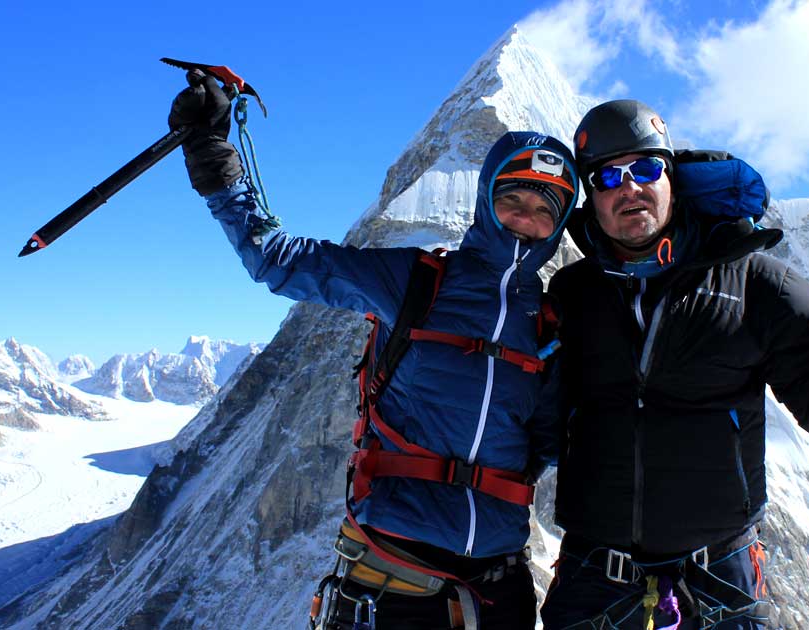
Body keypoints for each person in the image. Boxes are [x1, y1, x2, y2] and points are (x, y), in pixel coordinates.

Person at [168, 70, 578, 630]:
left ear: (560, 224)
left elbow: (552, 441)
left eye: (545, 208)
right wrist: (213, 155)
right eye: (514, 199)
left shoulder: (550, 321)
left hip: (499, 582)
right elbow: (277, 260)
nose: (527, 220)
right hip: (393, 573)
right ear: (487, 200)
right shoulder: (416, 281)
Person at [539, 100, 809, 629]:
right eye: (608, 177)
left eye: (645, 168)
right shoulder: (572, 293)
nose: (629, 188)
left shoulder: (758, 283)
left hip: (717, 579)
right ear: (590, 197)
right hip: (592, 576)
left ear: (673, 177)